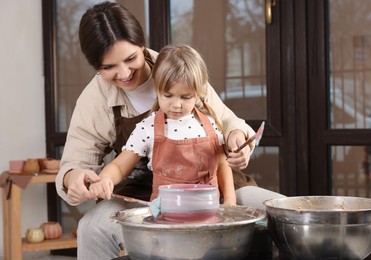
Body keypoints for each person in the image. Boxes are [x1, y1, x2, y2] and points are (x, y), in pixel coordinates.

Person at [55, 2, 284, 258]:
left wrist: (237, 138)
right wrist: (74, 178)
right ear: (96, 67)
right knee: (91, 228)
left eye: (131, 58)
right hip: (146, 196)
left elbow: (228, 121)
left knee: (283, 214)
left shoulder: (179, 68)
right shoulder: (95, 99)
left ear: (141, 44)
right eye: (108, 67)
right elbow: (76, 163)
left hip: (211, 186)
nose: (124, 73)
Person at [89, 44, 236, 206]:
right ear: (157, 89)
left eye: (185, 97)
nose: (176, 104)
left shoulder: (209, 123)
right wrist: (105, 179)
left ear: (198, 93)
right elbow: (119, 166)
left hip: (208, 211)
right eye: (168, 95)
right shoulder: (148, 127)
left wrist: (230, 201)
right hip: (166, 216)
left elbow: (222, 164)